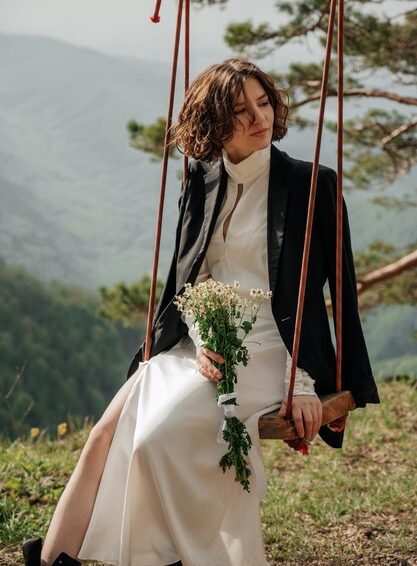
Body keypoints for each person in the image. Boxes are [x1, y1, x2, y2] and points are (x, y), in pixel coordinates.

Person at [23, 59, 379, 566]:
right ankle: (54, 561)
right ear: (214, 123)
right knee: (106, 433)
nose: (260, 116)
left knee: (154, 436)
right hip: (203, 339)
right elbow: (190, 279)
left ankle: (176, 555)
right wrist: (200, 330)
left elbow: (339, 289)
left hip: (272, 350)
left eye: (263, 102)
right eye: (240, 110)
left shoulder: (310, 184)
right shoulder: (202, 181)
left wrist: (309, 382)